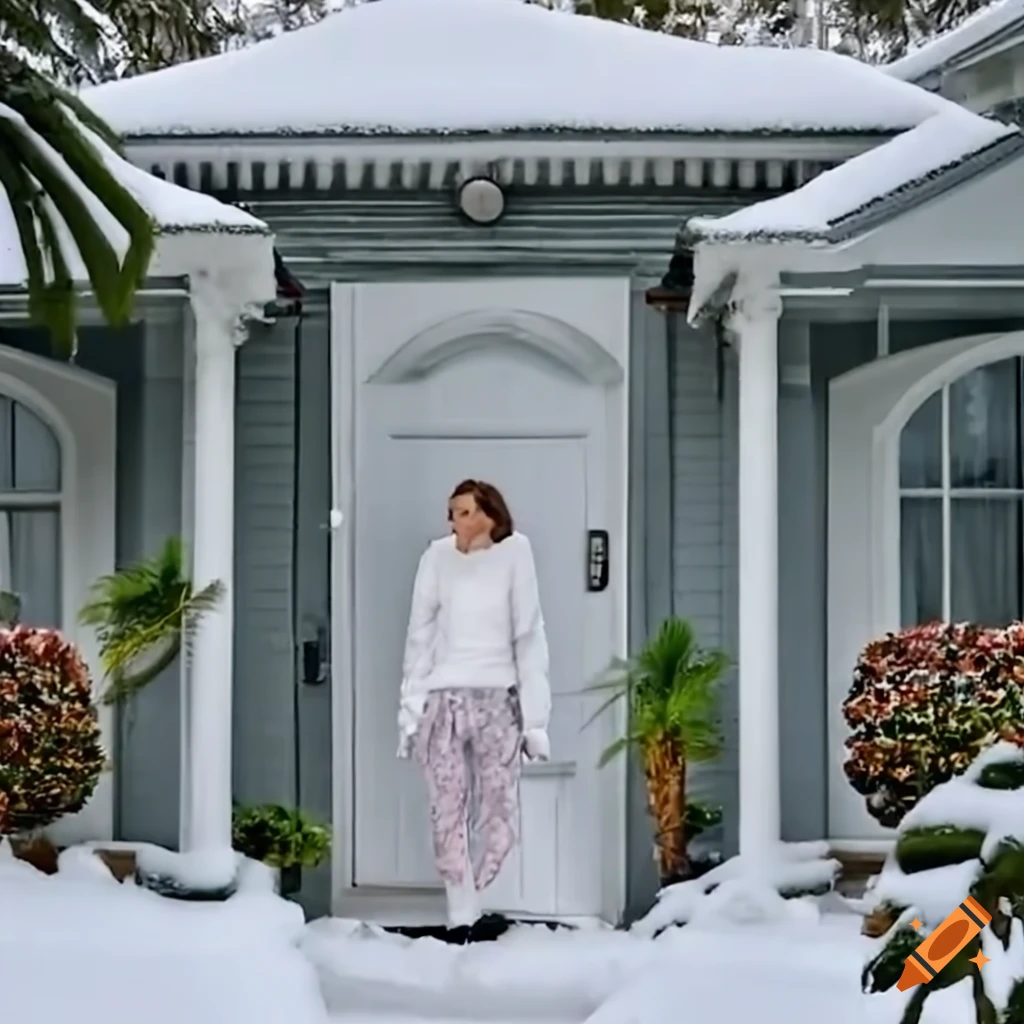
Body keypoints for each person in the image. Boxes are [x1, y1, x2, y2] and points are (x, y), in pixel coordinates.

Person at [397, 479, 551, 930]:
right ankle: (459, 913)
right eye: (451, 513)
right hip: (444, 701)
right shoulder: (436, 558)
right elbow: (419, 637)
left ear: (490, 514)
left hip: (497, 701)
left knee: (499, 814)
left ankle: (477, 891)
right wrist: (410, 711)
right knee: (446, 809)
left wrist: (535, 719)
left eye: (463, 512)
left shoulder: (516, 554)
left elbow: (529, 635)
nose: (454, 522)